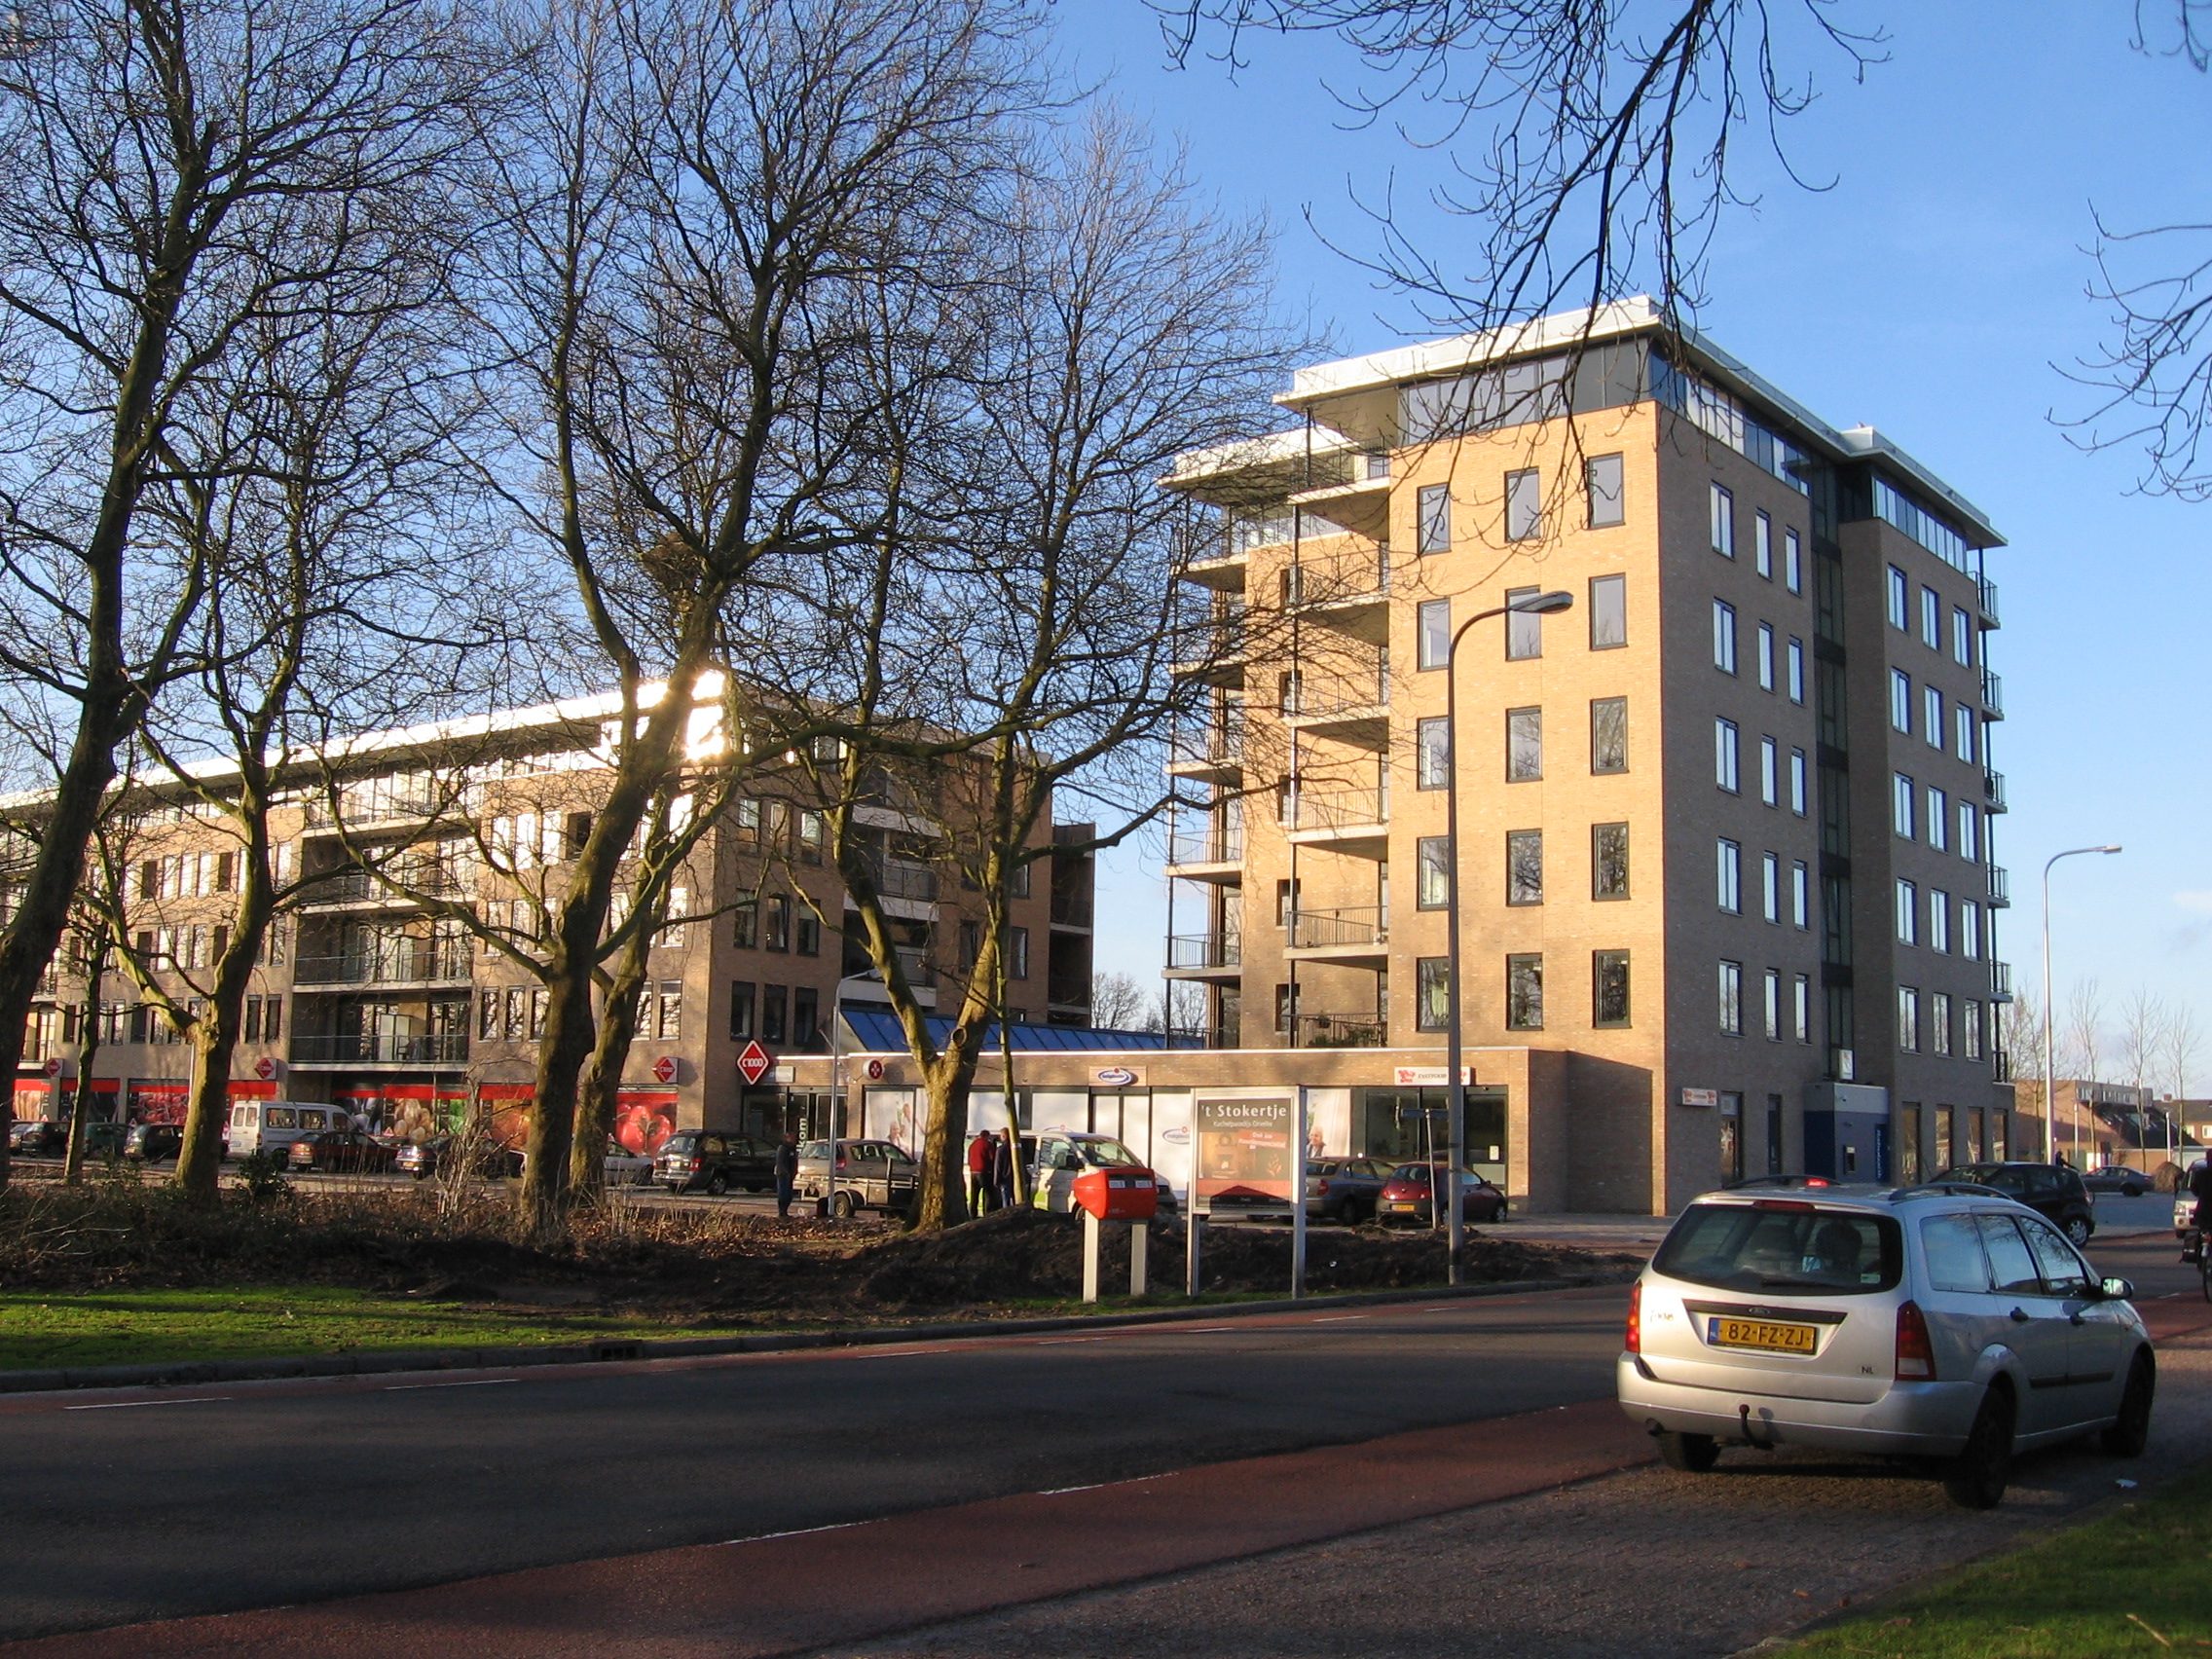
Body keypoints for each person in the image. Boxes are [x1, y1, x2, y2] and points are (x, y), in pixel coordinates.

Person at [2185, 1158, 2212, 1263]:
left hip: (2203, 1212)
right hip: (2204, 1212)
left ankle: (2198, 1254)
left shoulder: (2201, 1173)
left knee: (2202, 1231)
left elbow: (2194, 1189)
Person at [967, 1129, 995, 1216]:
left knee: (974, 1193)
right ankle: (987, 1212)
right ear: (987, 1136)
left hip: (973, 1171)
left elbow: (969, 1159)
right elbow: (992, 1157)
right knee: (988, 1193)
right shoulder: (988, 1144)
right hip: (985, 1171)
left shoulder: (972, 1145)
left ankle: (973, 1213)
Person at [991, 1127, 1017, 1211]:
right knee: (1015, 1200)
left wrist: (996, 1180)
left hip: (1005, 1179)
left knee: (1006, 1201)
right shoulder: (1016, 1148)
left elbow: (998, 1166)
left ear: (1003, 1136)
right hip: (1015, 1178)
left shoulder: (1001, 1150)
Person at [774, 1132, 798, 1219]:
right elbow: (780, 1162)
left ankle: (785, 1211)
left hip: (790, 1174)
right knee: (783, 1193)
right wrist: (785, 1173)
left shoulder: (792, 1149)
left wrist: (794, 1172)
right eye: (792, 1138)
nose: (794, 1140)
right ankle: (782, 1211)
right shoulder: (783, 1148)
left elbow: (794, 1161)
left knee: (789, 1194)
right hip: (783, 1175)